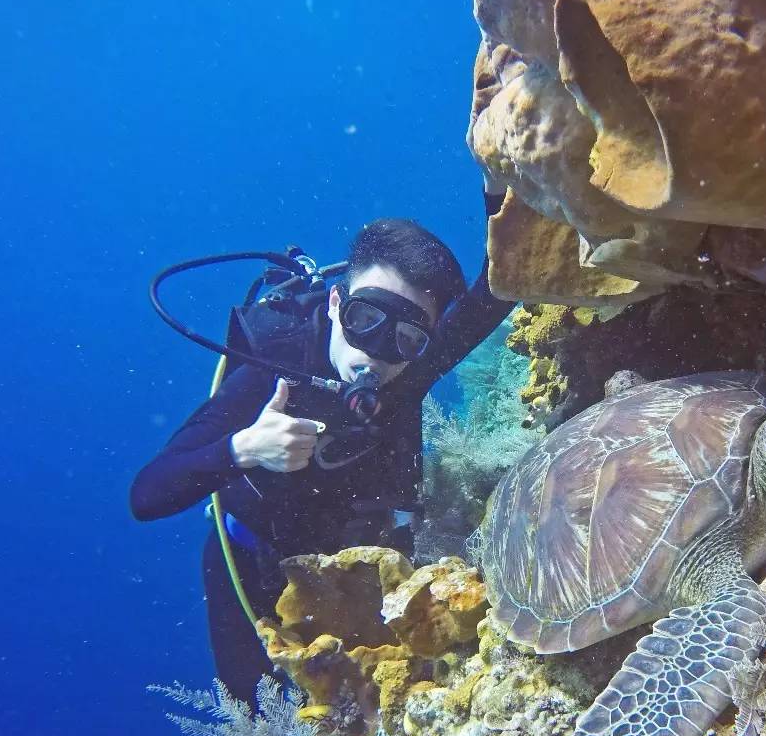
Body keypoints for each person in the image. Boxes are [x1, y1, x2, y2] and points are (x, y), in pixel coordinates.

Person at [130, 192, 511, 699]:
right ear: (336, 304)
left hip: (368, 568)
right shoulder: (275, 364)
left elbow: (500, 284)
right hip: (255, 571)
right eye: (365, 320)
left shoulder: (410, 369)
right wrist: (242, 449)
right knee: (260, 725)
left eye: (405, 338)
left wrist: (499, 178)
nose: (374, 356)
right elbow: (147, 494)